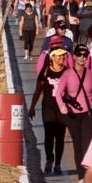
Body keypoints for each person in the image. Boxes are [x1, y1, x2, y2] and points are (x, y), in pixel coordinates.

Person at [53, 44, 92, 183]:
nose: (82, 58)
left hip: (89, 114)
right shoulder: (67, 74)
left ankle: (89, 176)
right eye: (79, 55)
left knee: (87, 145)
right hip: (73, 115)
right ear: (73, 56)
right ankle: (81, 178)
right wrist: (62, 106)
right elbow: (58, 93)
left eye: (85, 55)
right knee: (78, 146)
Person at [28, 47, 71, 175]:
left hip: (62, 109)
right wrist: (32, 107)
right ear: (52, 57)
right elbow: (38, 91)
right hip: (48, 108)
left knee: (60, 137)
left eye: (63, 56)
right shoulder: (45, 72)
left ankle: (57, 163)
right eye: (58, 56)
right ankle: (49, 160)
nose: (61, 58)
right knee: (49, 136)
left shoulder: (68, 72)